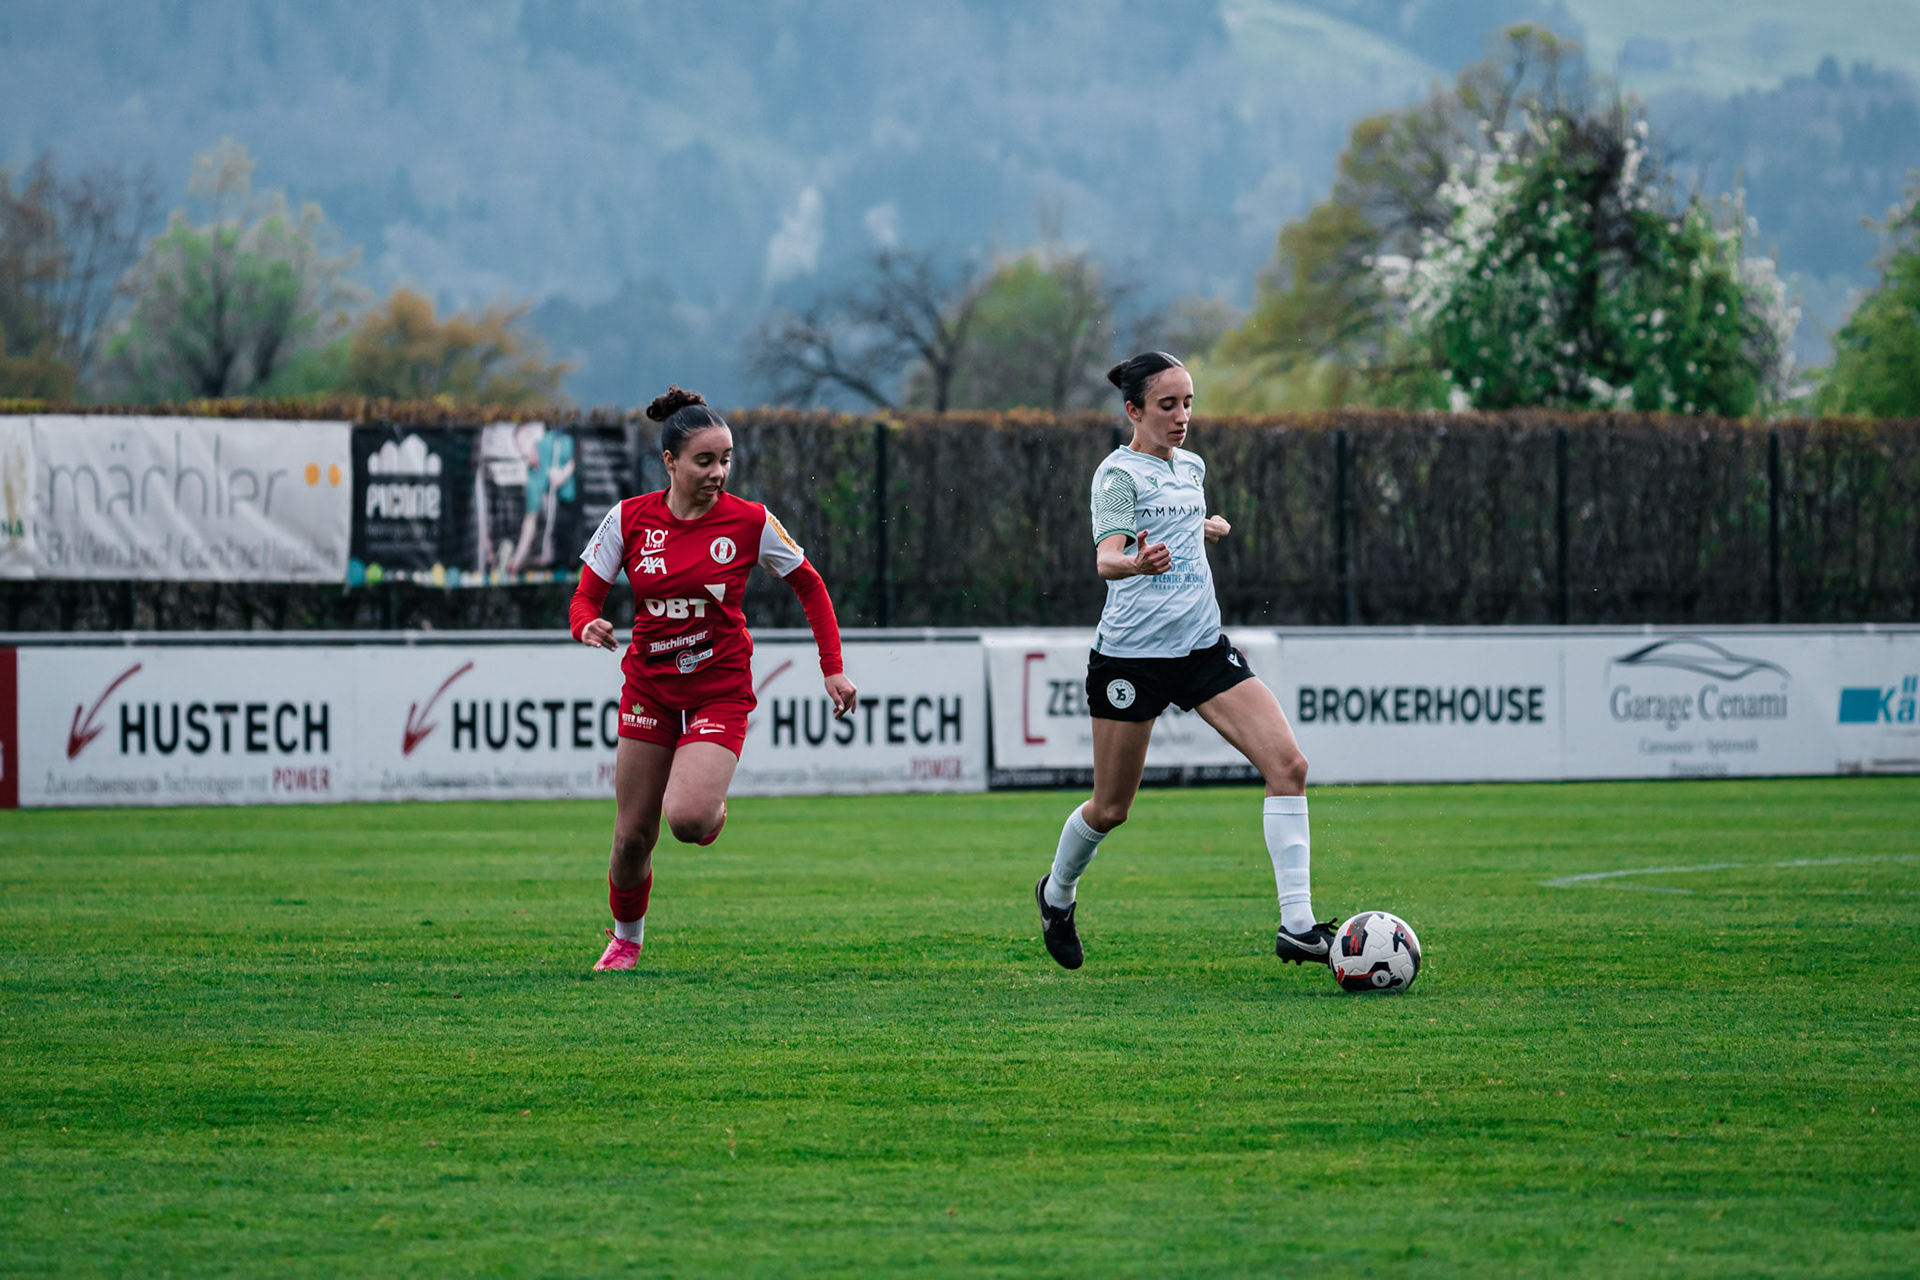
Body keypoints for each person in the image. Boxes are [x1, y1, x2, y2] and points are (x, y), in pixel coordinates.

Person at [1033, 351, 1335, 971]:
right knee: (1111, 809)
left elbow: (1171, 525)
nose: (1182, 416)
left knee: (1289, 765)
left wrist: (1202, 528)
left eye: (1189, 402)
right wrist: (1135, 563)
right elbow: (1108, 559)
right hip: (1131, 659)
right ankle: (1056, 895)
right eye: (1167, 405)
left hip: (1201, 649)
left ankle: (1298, 927)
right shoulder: (1117, 476)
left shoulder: (1191, 468)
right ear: (1133, 410)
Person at [572, 387, 858, 972]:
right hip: (648, 689)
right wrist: (588, 626)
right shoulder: (628, 519)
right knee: (631, 841)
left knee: (689, 820)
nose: (718, 472)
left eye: (726, 459)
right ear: (670, 461)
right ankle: (626, 939)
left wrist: (832, 667)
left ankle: (709, 808)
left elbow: (810, 583)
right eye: (705, 460)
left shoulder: (750, 521)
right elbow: (584, 598)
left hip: (719, 689)